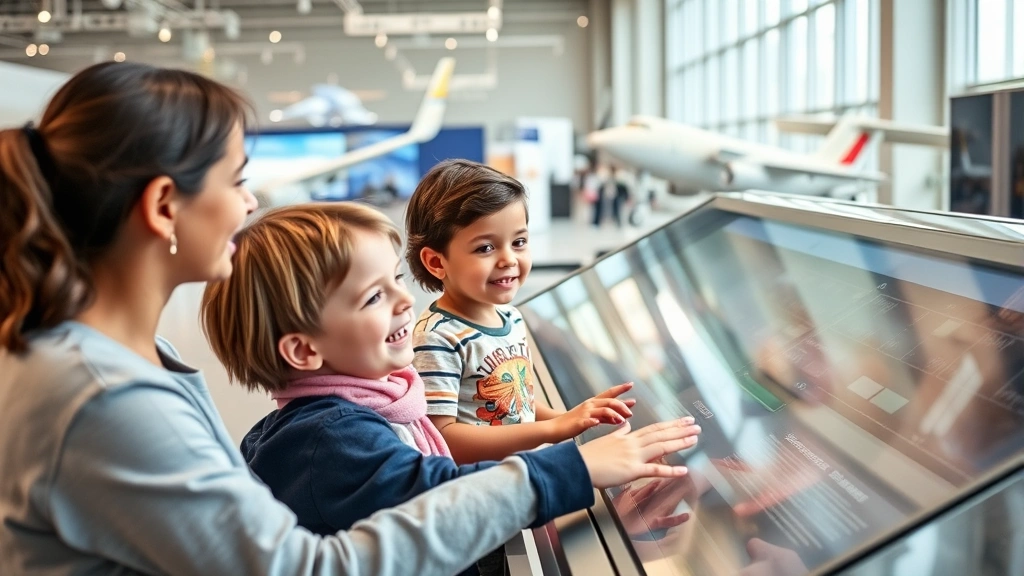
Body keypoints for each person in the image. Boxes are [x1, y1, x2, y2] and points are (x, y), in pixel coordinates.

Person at [0, 62, 701, 575]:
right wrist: (559, 476)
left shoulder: (116, 359)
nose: (248, 206)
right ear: (162, 208)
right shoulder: (102, 394)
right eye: (237, 180)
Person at [199, 202, 703, 575]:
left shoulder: (370, 408)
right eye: (374, 295)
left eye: (396, 279)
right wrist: (580, 466)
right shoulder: (325, 440)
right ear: (305, 351)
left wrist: (589, 529)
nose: (404, 301)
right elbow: (441, 500)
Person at [405, 159, 636, 466]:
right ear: (436, 262)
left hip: (524, 473)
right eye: (485, 248)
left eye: (519, 242)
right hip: (487, 490)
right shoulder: (438, 336)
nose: (508, 259)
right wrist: (552, 429)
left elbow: (516, 406)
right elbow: (445, 438)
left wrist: (575, 420)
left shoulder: (510, 316)